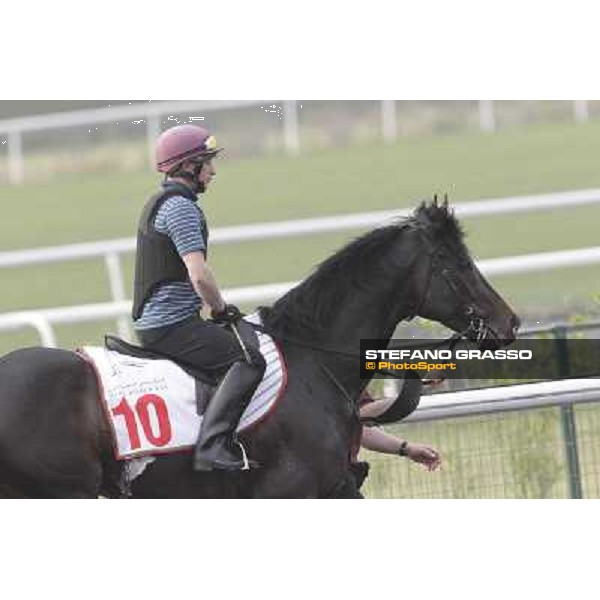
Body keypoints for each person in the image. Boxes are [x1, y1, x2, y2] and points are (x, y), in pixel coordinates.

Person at [132, 124, 266, 472]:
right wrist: (220, 309)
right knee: (249, 360)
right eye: (207, 162)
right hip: (171, 327)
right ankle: (212, 447)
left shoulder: (164, 202)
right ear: (189, 166)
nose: (213, 170)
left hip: (164, 323)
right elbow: (199, 274)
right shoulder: (181, 208)